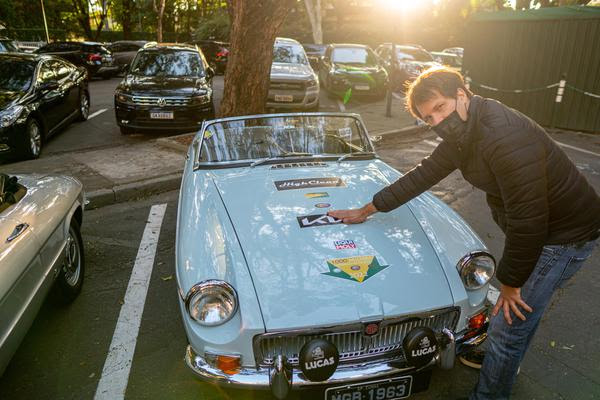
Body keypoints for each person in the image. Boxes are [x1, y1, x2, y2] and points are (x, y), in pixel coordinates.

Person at [328, 66, 600, 399]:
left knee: (507, 323)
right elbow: (424, 173)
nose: (438, 122)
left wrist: (511, 284)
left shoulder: (503, 135)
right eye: (429, 118)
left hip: (564, 235)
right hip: (545, 228)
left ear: (462, 93)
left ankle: (490, 393)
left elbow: (528, 219)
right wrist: (368, 209)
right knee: (518, 321)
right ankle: (505, 362)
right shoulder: (465, 132)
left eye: (440, 108)